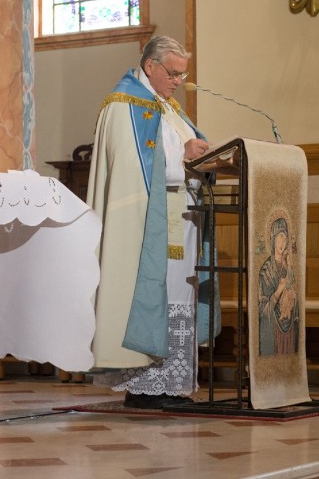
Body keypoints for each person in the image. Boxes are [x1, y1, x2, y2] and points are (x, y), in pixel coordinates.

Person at [86, 35, 213, 409]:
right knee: (155, 296)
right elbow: (135, 170)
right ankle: (144, 388)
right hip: (147, 224)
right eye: (172, 73)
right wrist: (184, 158)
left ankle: (170, 386)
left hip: (182, 219)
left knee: (178, 297)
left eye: (182, 73)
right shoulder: (124, 104)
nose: (178, 80)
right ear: (151, 66)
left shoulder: (169, 108)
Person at [258, 217, 299, 356]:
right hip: (273, 329)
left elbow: (296, 299)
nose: (283, 242)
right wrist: (279, 290)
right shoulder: (266, 270)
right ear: (273, 239)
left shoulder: (289, 268)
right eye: (280, 237)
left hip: (289, 330)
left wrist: (292, 295)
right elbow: (262, 309)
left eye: (285, 238)